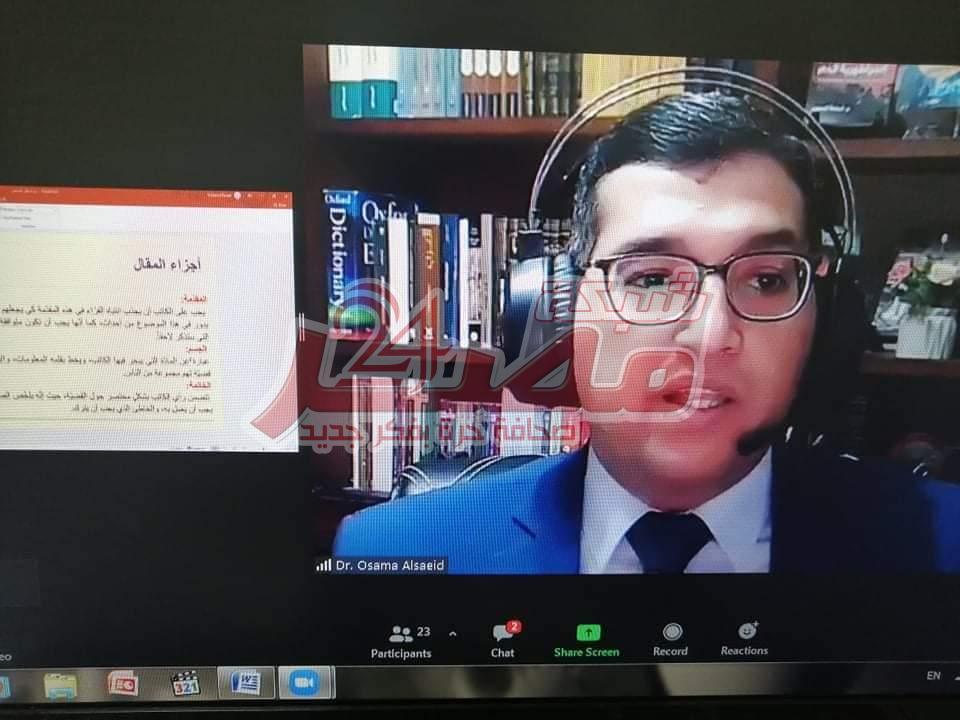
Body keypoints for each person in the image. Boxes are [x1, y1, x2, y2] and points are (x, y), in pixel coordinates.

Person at [333, 91, 960, 574]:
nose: (710, 335)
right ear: (557, 311)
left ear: (825, 322)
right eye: (653, 278)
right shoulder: (393, 550)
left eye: (766, 279)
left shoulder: (941, 546)